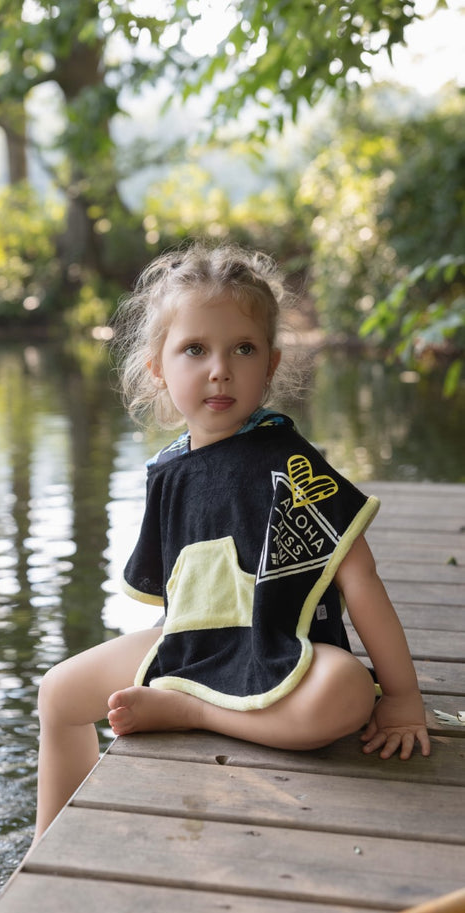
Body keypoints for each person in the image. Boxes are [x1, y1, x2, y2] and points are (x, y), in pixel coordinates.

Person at [34, 241, 430, 840]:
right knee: (57, 694)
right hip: (192, 647)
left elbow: (361, 579)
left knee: (349, 691)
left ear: (270, 365)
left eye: (243, 349)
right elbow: (181, 600)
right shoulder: (168, 470)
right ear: (158, 368)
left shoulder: (290, 464)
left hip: (279, 652)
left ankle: (192, 711)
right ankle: (45, 850)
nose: (220, 369)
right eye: (195, 349)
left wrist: (401, 698)